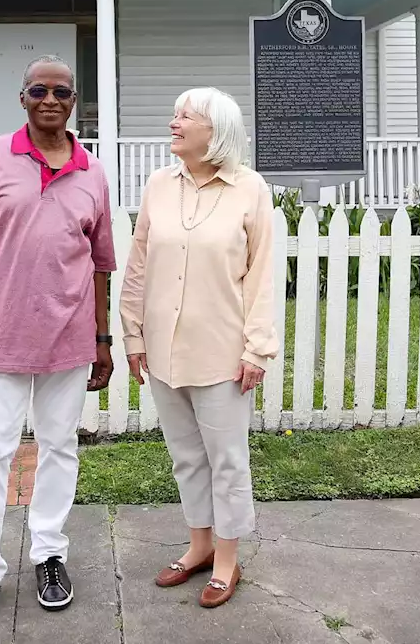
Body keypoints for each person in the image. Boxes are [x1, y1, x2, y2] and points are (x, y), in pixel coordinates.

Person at [0, 55, 117, 628]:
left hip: (68, 340)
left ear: (75, 103)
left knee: (59, 447)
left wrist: (101, 337)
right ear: (22, 97)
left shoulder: (92, 170)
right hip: (2, 336)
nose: (51, 99)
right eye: (39, 90)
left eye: (62, 92)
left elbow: (100, 262)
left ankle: (48, 553)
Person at [119, 87, 278, 609]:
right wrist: (134, 334)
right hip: (163, 350)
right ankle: (200, 546)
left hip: (222, 353)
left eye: (187, 115)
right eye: (175, 113)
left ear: (217, 130)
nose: (175, 121)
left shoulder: (249, 189)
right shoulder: (159, 186)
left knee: (226, 460)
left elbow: (262, 276)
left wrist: (257, 349)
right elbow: (139, 264)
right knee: (186, 457)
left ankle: (228, 560)